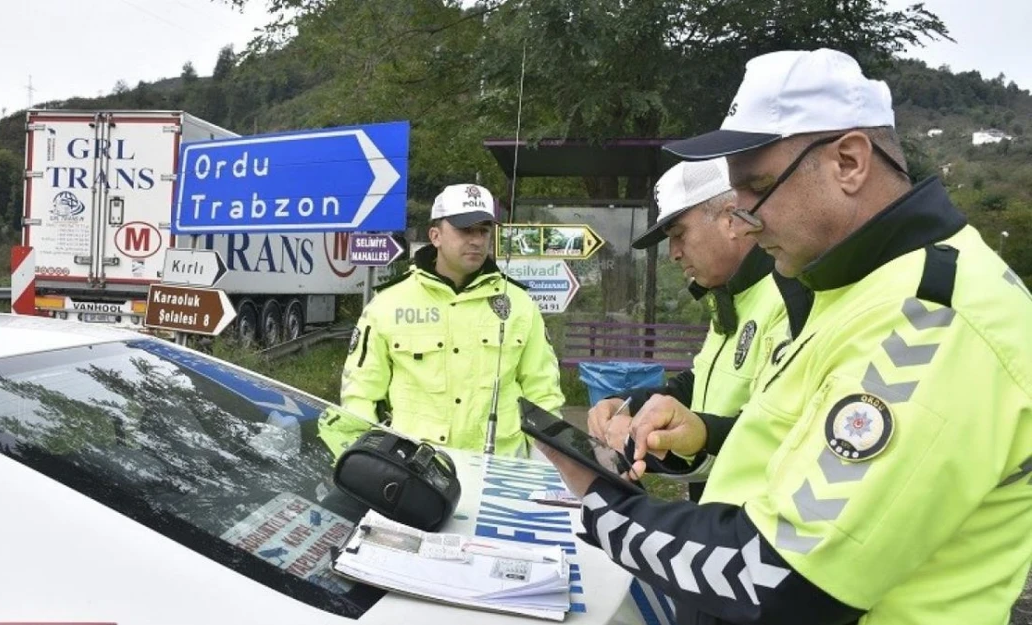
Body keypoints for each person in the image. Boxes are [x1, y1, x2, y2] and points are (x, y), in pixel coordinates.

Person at [536, 48, 1032, 624]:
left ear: (849, 162)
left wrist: (601, 505)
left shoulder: (933, 317)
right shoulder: (853, 288)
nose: (742, 218)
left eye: (758, 188)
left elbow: (782, 576)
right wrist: (696, 436)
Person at [586, 158, 811, 502]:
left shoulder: (792, 296)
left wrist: (702, 434)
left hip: (759, 522)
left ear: (731, 217)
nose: (674, 253)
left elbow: (784, 431)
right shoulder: (727, 296)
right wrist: (627, 405)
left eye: (679, 235)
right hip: (715, 514)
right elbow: (700, 381)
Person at [321, 183, 565, 458]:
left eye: (484, 231)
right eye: (465, 230)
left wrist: (544, 468)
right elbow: (360, 394)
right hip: (416, 470)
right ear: (435, 236)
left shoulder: (518, 304)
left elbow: (543, 394)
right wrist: (366, 462)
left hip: (501, 470)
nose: (476, 240)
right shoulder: (388, 304)